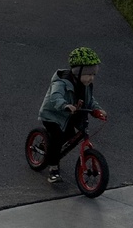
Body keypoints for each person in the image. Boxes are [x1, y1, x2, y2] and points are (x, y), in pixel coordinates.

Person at [38, 47, 107, 183]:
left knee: (71, 135)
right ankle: (53, 169)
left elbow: (90, 100)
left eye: (94, 74)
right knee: (57, 138)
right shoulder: (61, 82)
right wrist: (64, 105)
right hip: (54, 115)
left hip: (70, 116)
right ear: (78, 72)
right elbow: (55, 96)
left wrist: (97, 109)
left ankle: (52, 150)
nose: (91, 78)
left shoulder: (85, 85)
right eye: (88, 74)